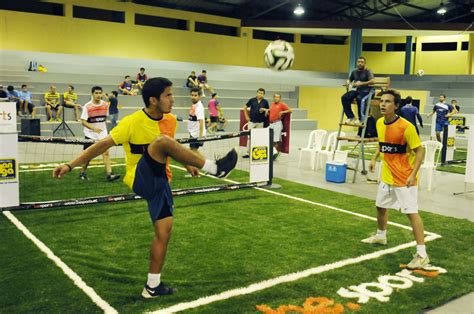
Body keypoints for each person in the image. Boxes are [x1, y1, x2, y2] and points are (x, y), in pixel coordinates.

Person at [53, 77, 238, 298]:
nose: (173, 98)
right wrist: (70, 165)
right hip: (139, 178)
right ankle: (215, 168)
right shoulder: (131, 122)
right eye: (168, 95)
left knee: (164, 233)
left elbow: (170, 151)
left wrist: (188, 164)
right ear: (153, 100)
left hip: (161, 183)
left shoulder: (169, 121)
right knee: (161, 142)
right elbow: (101, 144)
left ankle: (152, 287)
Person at [364, 89, 429, 270]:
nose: (383, 104)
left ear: (396, 106)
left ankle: (422, 254)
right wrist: (374, 158)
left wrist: (412, 174)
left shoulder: (407, 127)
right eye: (382, 101)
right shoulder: (379, 123)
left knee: (411, 213)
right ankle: (381, 235)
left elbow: (420, 150)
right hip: (387, 176)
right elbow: (383, 143)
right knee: (380, 206)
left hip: (404, 179)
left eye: (388, 101)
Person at [78, 86, 121, 182]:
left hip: (102, 134)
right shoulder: (87, 106)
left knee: (106, 153)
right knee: (88, 155)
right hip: (90, 134)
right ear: (92, 94)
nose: (98, 95)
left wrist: (103, 129)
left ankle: (109, 174)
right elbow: (83, 121)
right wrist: (93, 128)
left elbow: (104, 119)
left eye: (99, 93)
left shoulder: (105, 105)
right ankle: (82, 173)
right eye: (96, 93)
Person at [341, 56, 375, 124]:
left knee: (359, 98)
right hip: (358, 90)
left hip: (367, 91)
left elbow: (372, 81)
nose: (360, 63)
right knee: (344, 97)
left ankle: (361, 119)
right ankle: (350, 116)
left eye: (362, 62)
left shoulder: (368, 71)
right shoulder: (354, 72)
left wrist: (362, 83)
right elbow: (350, 79)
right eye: (359, 62)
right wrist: (348, 82)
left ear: (365, 63)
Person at [242, 88, 269, 158]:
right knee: (249, 137)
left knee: (258, 138)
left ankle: (256, 153)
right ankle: (247, 152)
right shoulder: (252, 100)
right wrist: (246, 116)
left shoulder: (265, 102)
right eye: (259, 92)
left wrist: (264, 109)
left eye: (262, 93)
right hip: (251, 122)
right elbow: (244, 107)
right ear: (257, 93)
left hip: (260, 123)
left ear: (263, 94)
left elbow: (268, 110)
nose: (260, 94)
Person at [266, 93, 292, 160]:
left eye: (278, 97)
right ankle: (272, 152)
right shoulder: (272, 104)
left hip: (277, 124)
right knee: (269, 139)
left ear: (280, 98)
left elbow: (290, 110)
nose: (276, 98)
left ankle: (274, 155)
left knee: (276, 140)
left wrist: (282, 112)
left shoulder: (282, 104)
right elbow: (272, 111)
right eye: (275, 97)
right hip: (271, 124)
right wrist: (267, 111)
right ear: (273, 98)